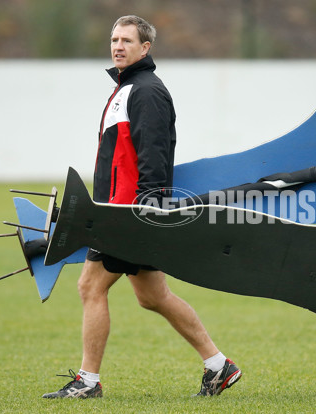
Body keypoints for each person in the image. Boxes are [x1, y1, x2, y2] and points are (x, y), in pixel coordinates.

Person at [42, 15, 241, 399]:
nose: (118, 46)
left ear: (145, 48)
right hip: (119, 211)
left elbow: (154, 154)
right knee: (153, 296)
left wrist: (146, 210)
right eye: (114, 39)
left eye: (127, 41)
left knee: (90, 286)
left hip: (128, 214)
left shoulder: (146, 91)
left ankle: (88, 381)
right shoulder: (127, 87)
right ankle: (219, 365)